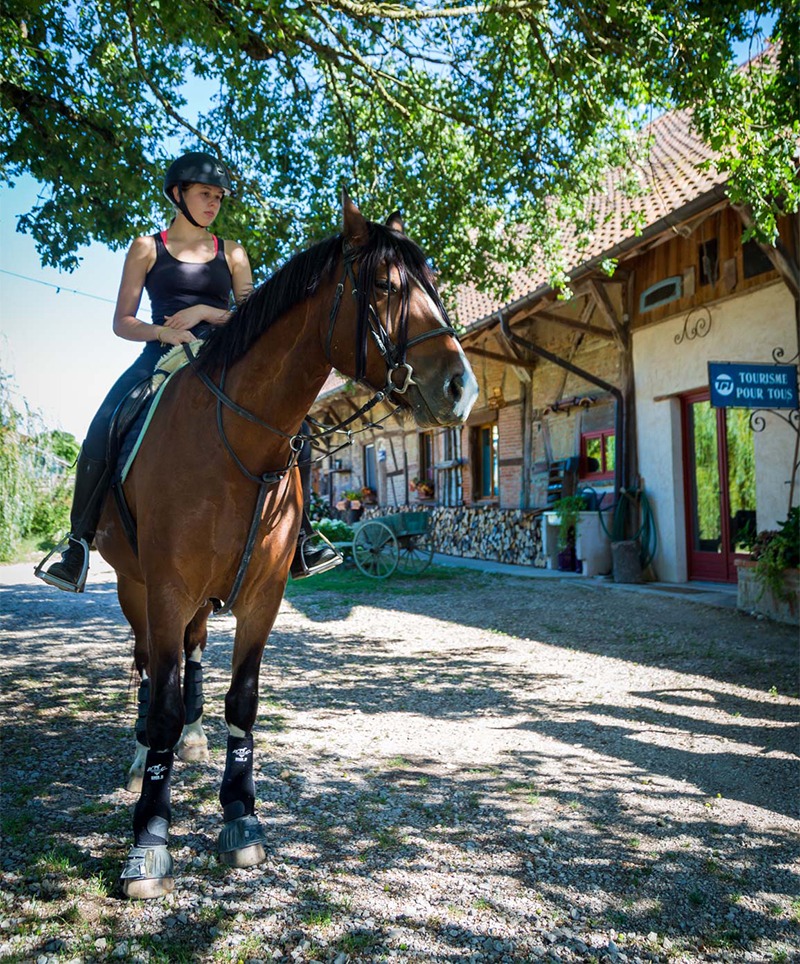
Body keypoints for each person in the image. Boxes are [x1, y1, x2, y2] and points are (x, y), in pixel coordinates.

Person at [38, 151, 340, 592]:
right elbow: (122, 322)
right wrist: (164, 332)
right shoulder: (146, 248)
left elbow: (252, 315)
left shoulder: (232, 252)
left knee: (299, 429)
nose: (213, 204)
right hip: (160, 360)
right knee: (102, 426)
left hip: (223, 358)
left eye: (218, 197)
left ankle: (305, 536)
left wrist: (204, 311)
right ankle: (78, 545)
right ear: (178, 194)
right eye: (205, 194)